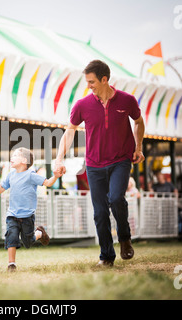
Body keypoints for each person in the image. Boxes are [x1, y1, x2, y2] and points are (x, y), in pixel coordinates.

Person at [54, 60, 145, 267]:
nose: (89, 86)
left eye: (92, 81)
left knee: (115, 198)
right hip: (94, 165)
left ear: (105, 79)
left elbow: (138, 122)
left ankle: (124, 238)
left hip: (121, 160)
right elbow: (70, 131)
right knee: (100, 212)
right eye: (87, 81)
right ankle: (106, 256)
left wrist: (138, 147)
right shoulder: (82, 105)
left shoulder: (127, 101)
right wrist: (59, 158)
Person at [0, 147, 61, 272]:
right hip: (12, 214)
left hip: (27, 216)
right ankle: (11, 264)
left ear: (24, 160)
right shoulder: (10, 175)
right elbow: (1, 189)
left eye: (15, 156)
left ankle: (39, 233)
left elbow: (48, 183)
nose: (11, 158)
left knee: (28, 242)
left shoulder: (31, 175)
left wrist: (55, 177)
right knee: (11, 236)